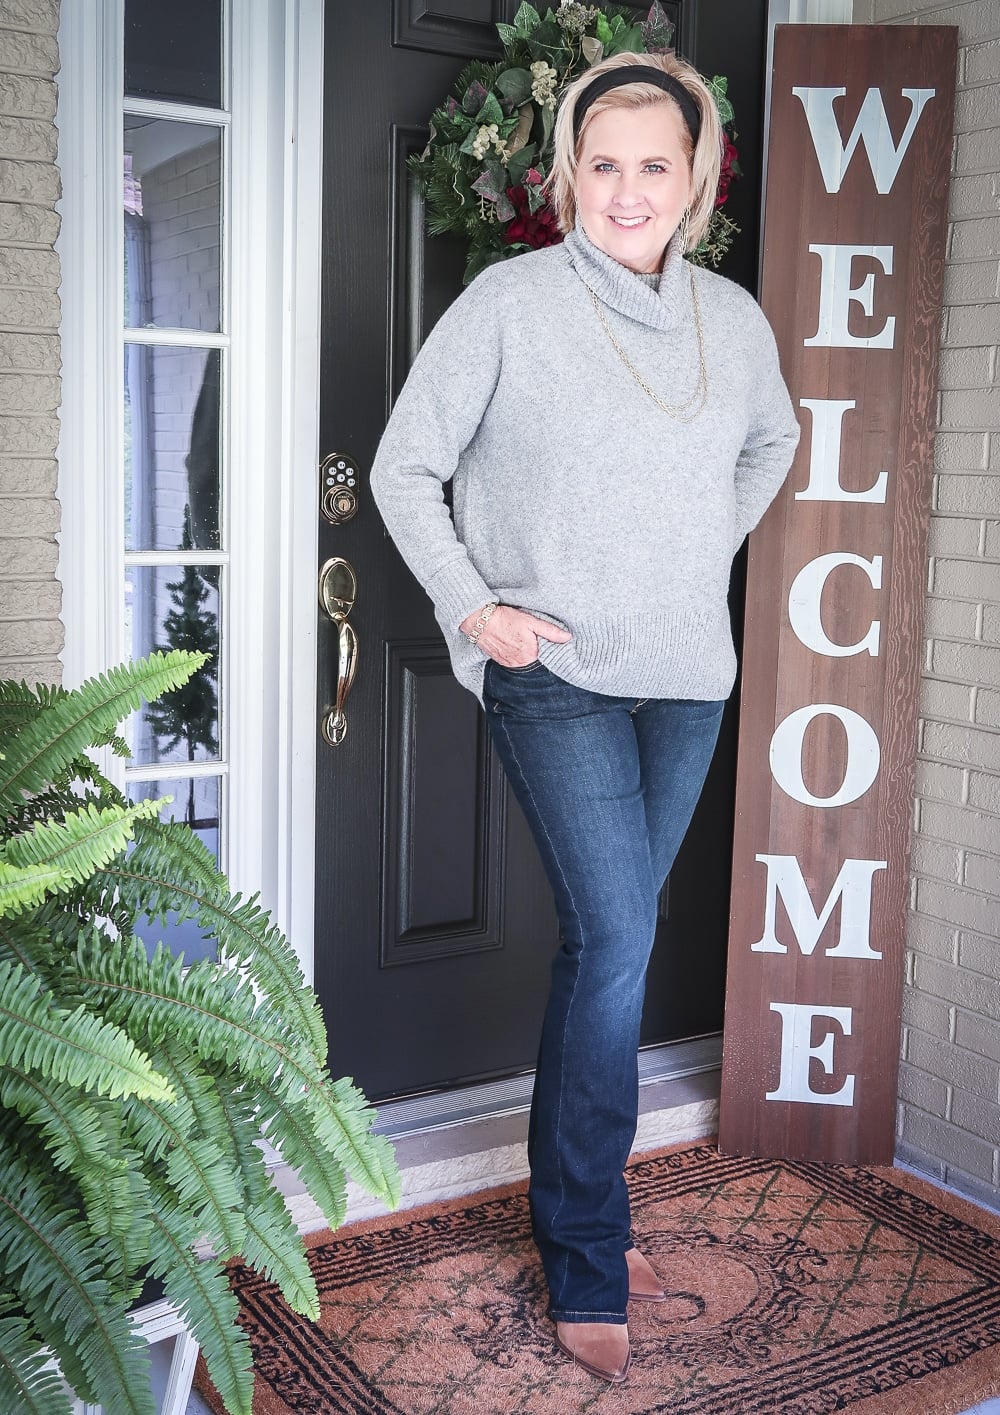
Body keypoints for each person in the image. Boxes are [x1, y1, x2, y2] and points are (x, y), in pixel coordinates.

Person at [371, 49, 800, 1386]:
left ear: (697, 176)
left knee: (609, 949)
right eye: (602, 164)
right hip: (552, 670)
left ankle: (581, 1224)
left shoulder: (734, 323)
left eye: (653, 165)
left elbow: (773, 442)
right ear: (568, 175)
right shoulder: (510, 305)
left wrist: (693, 552)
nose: (627, 190)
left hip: (685, 675)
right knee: (617, 935)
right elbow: (405, 464)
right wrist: (475, 611)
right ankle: (590, 1250)